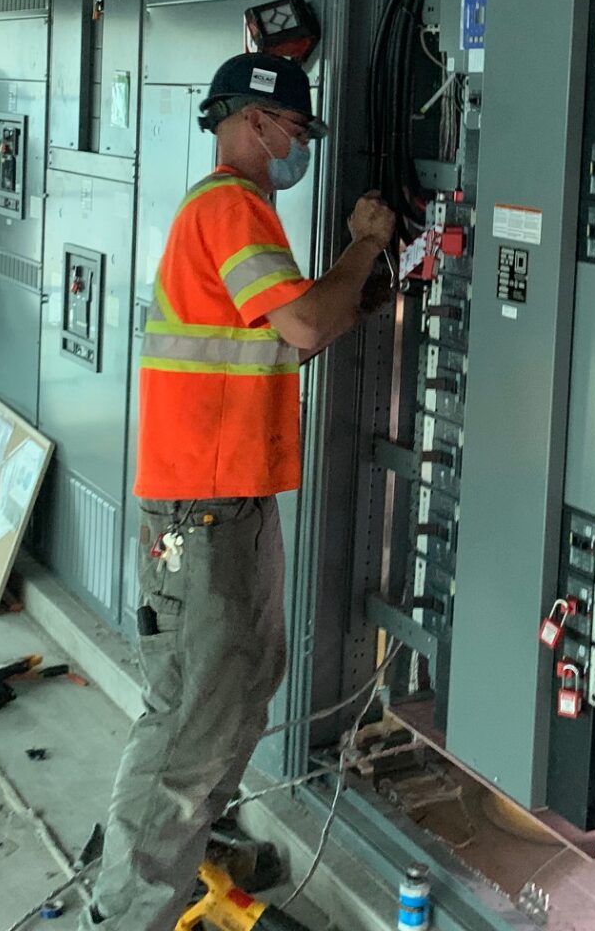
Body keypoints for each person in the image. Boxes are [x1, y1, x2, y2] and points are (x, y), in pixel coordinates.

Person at [85, 51, 398, 931]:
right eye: (295, 128)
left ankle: (162, 875)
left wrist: (363, 292)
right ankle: (126, 914)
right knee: (191, 729)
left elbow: (290, 336)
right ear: (253, 121)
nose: (299, 144)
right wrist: (365, 241)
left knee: (230, 698)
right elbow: (301, 319)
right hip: (203, 509)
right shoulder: (233, 208)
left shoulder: (237, 215)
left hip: (227, 502)